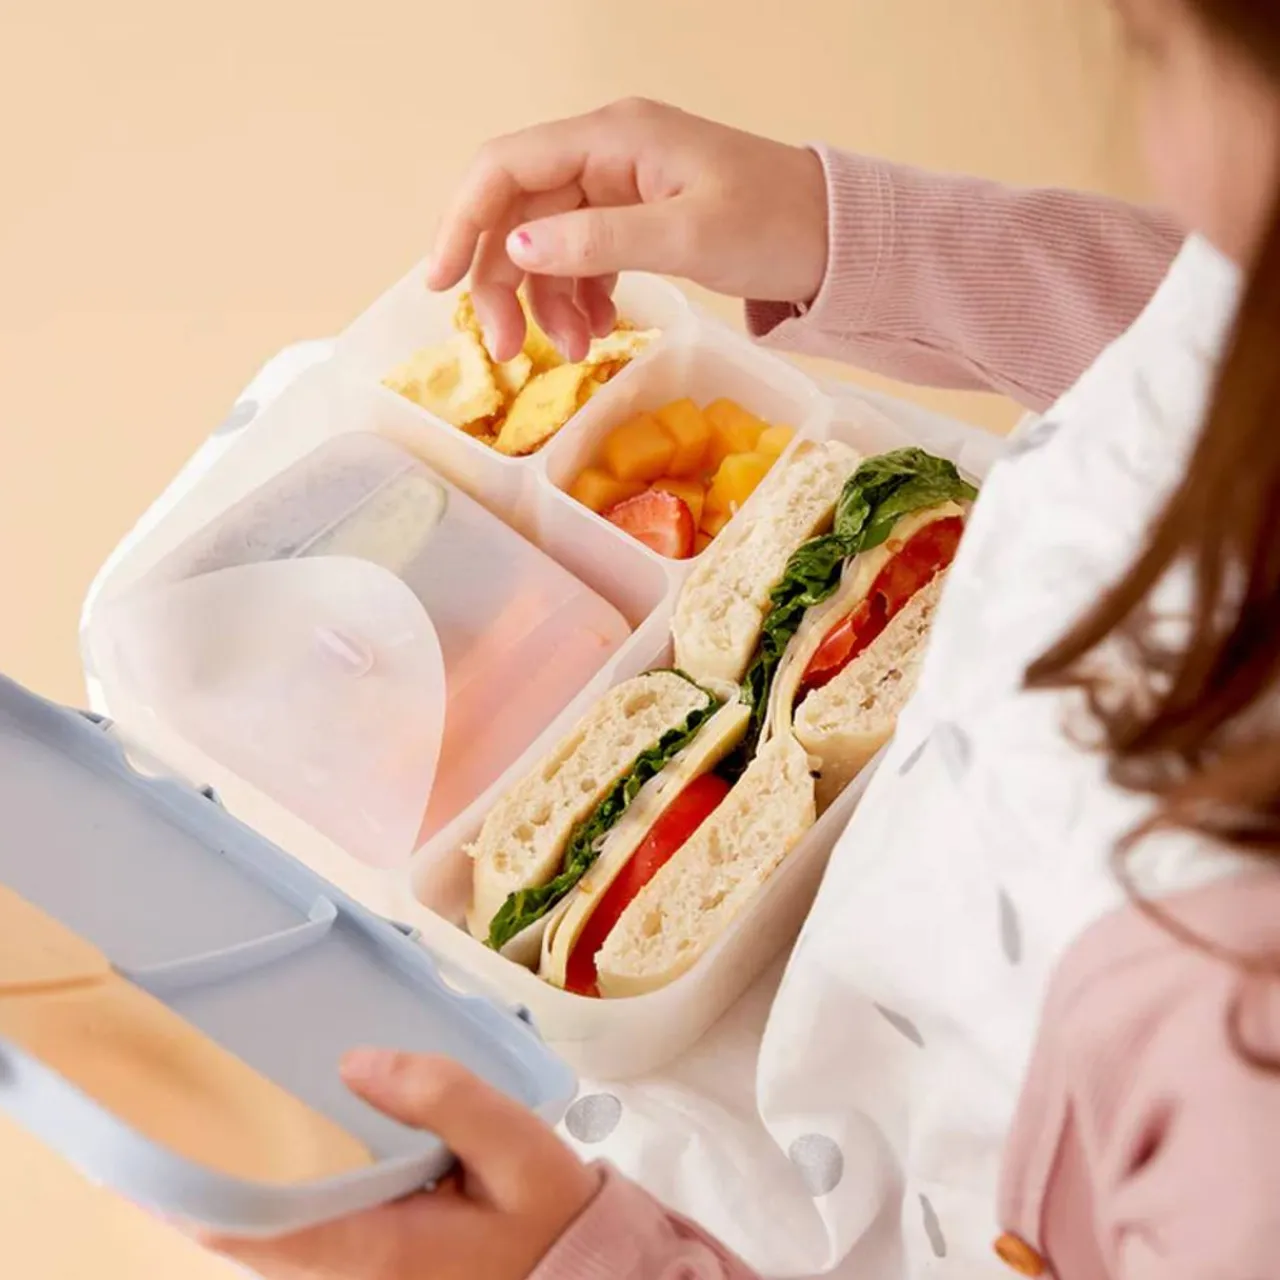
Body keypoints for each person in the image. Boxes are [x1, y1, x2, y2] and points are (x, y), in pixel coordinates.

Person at [194, 0, 1280, 1275]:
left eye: (1155, 53)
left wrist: (580, 1260)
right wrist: (848, 236)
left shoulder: (1232, 1109)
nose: (1146, 137)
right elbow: (1214, 338)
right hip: (856, 891)